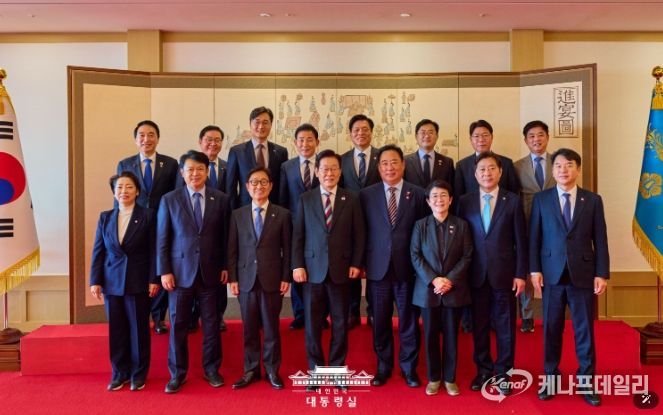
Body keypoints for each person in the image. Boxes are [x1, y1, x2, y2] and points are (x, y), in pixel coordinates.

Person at [530, 148, 609, 407]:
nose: (563, 170)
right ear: (552, 171)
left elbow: (600, 239)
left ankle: (586, 382)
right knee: (551, 329)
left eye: (569, 165)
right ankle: (550, 378)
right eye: (559, 166)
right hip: (551, 275)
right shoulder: (541, 200)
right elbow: (534, 238)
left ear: (578, 169)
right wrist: (534, 270)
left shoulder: (592, 200)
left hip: (583, 275)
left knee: (584, 330)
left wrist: (601, 273)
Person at [156, 150, 231, 394]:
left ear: (207, 172)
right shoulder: (170, 199)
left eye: (200, 169)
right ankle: (177, 374)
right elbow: (163, 238)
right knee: (178, 325)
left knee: (211, 325)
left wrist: (225, 266)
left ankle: (212, 369)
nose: (195, 174)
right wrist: (164, 271)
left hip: (211, 273)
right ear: (182, 172)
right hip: (179, 274)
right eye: (190, 169)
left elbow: (226, 237)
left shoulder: (221, 199)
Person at [292, 150, 366, 391]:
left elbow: (359, 235)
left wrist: (356, 263)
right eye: (324, 168)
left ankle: (336, 372)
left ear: (340, 171)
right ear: (316, 171)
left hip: (341, 272)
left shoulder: (351, 198)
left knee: (340, 324)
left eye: (334, 168)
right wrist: (297, 265)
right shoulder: (305, 199)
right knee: (312, 326)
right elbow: (298, 235)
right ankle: (315, 372)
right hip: (312, 272)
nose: (329, 173)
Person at [457, 152, 527, 396]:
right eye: (482, 169)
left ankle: (503, 373)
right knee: (479, 326)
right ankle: (483, 370)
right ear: (475, 174)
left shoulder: (512, 201)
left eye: (491, 168)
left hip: (505, 274)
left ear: (500, 172)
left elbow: (521, 240)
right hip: (475, 275)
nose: (487, 173)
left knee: (506, 326)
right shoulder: (464, 201)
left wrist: (520, 274)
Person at [360, 144, 428, 388]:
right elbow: (361, 231)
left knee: (409, 321)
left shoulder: (417, 194)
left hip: (407, 269)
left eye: (394, 162)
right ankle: (383, 367)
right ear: (379, 168)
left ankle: (409, 368)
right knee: (380, 321)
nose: (390, 167)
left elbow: (423, 232)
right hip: (377, 268)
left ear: (403, 165)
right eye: (385, 163)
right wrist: (361, 263)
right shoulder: (366, 195)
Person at [90, 171, 160, 392]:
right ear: (114, 192)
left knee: (139, 330)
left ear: (137, 191)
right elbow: (98, 251)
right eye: (119, 187)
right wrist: (95, 280)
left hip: (138, 281)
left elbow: (154, 250)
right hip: (111, 282)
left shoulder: (148, 215)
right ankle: (119, 373)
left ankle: (138, 374)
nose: (124, 191)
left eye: (129, 187)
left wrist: (153, 278)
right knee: (117, 330)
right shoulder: (105, 217)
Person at [454, 119, 520, 333]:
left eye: (485, 135)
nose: (487, 173)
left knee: (504, 320)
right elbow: (458, 208)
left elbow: (513, 198)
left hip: (502, 252)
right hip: (475, 254)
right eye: (476, 136)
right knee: (477, 318)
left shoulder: (506, 164)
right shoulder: (462, 167)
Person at [228, 167, 291, 390]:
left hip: (272, 279)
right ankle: (251, 370)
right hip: (245, 279)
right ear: (247, 187)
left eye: (263, 182)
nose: (259, 186)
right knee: (249, 328)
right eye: (254, 182)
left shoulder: (282, 214)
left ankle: (272, 370)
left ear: (271, 186)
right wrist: (233, 278)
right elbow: (232, 249)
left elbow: (287, 249)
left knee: (272, 328)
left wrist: (286, 276)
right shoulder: (237, 214)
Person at [411, 180, 473, 397]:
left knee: (451, 337)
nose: (439, 200)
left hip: (453, 291)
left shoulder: (462, 225)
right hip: (428, 291)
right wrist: (434, 280)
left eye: (443, 195)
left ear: (451, 199)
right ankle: (434, 378)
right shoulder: (420, 225)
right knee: (430, 336)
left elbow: (467, 256)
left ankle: (450, 378)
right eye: (435, 196)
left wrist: (449, 280)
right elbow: (415, 255)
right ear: (428, 202)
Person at [117, 120, 179, 335]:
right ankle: (140, 316)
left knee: (161, 267)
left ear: (158, 138)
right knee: (139, 269)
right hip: (135, 225)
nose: (146, 139)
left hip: (163, 223)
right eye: (142, 135)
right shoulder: (125, 164)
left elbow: (175, 196)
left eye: (151, 135)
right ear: (136, 140)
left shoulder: (170, 164)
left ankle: (158, 317)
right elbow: (120, 196)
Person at [182, 125, 229, 333]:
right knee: (192, 277)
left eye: (217, 140)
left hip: (217, 227)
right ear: (200, 141)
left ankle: (218, 316)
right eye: (209, 139)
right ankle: (193, 316)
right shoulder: (189, 166)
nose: (213, 143)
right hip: (192, 230)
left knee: (217, 281)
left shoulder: (227, 166)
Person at [278, 124, 323, 331]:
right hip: (295, 226)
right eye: (301, 140)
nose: (305, 144)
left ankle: (320, 315)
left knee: (319, 269)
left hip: (321, 227)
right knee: (297, 267)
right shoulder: (286, 167)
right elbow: (282, 199)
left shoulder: (325, 165)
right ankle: (300, 313)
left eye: (309, 139)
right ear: (295, 143)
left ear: (317, 142)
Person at [513, 120, 556, 333]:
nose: (536, 139)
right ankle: (527, 316)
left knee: (553, 269)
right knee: (529, 269)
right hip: (528, 223)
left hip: (554, 225)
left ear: (547, 137)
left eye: (540, 135)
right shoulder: (516, 166)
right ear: (525, 140)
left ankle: (551, 314)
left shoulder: (559, 162)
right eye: (531, 136)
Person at [340, 114, 380, 329]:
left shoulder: (382, 157)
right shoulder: (342, 159)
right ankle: (352, 311)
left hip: (377, 221)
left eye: (365, 129)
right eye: (356, 130)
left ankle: (373, 311)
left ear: (371, 132)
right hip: (349, 222)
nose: (361, 133)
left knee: (375, 267)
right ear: (350, 134)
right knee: (352, 265)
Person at [225, 106, 288, 208]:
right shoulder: (237, 152)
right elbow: (230, 186)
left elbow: (283, 186)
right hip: (245, 208)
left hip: (273, 208)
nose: (261, 126)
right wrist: (234, 212)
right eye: (257, 122)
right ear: (250, 124)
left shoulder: (281, 152)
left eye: (265, 122)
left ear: (271, 125)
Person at [404, 119, 455, 189]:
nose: (427, 136)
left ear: (437, 136)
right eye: (423, 132)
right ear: (416, 136)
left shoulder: (447, 162)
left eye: (430, 132)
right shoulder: (405, 161)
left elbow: (450, 189)